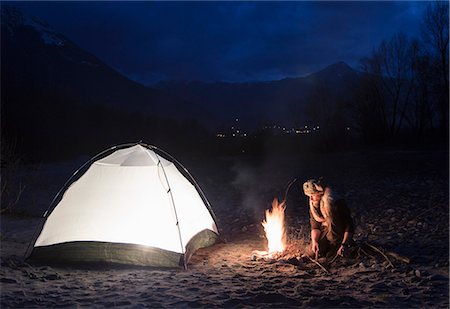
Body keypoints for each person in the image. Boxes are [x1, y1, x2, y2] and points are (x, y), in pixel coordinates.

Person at [303, 178, 355, 259]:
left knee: (331, 256)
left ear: (320, 193)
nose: (311, 199)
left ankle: (336, 247)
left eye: (313, 195)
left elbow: (349, 225)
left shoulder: (335, 202)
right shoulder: (314, 205)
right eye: (310, 196)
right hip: (325, 231)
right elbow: (315, 226)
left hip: (338, 233)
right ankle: (328, 247)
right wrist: (315, 241)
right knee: (312, 253)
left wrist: (344, 244)